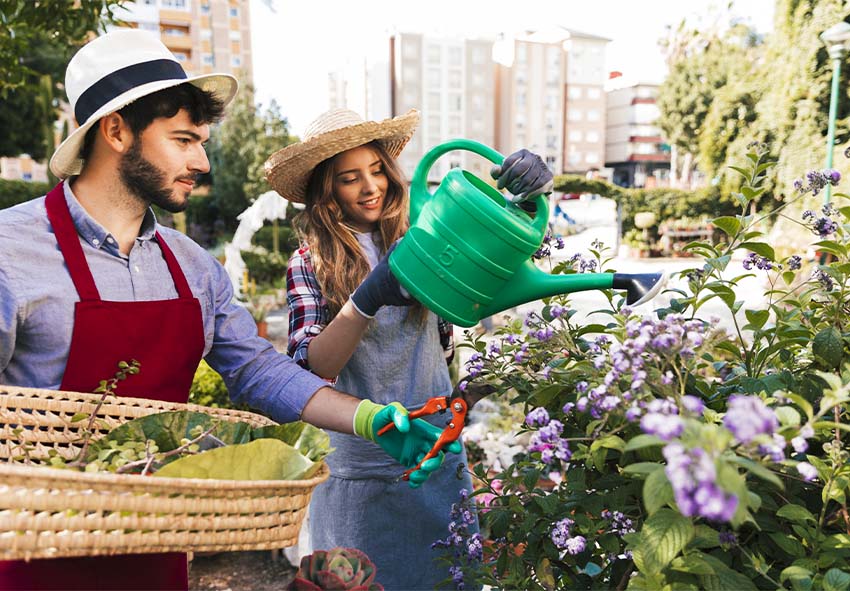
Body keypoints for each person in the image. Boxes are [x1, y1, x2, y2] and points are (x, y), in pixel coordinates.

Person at [0, 30, 457, 591]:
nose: (202, 161)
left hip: (158, 549)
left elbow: (260, 373)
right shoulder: (10, 252)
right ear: (116, 130)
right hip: (30, 556)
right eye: (185, 140)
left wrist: (370, 419)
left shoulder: (193, 267)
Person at [264, 108, 553, 590]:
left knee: (449, 580)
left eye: (377, 170)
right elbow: (313, 370)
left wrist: (530, 196)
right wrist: (366, 298)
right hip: (358, 474)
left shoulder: (424, 236)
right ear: (326, 191)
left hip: (436, 458)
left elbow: (509, 258)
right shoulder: (309, 262)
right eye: (350, 178)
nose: (371, 186)